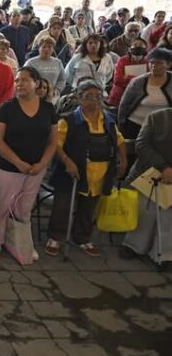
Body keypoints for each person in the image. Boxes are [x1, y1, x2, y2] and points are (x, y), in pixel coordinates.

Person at [45, 79, 127, 258]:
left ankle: (82, 237)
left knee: (88, 209)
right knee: (62, 206)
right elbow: (56, 144)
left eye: (98, 96)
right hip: (71, 173)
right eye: (89, 96)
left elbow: (119, 141)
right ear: (79, 98)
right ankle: (55, 237)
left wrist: (124, 161)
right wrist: (67, 161)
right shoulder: (68, 120)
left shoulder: (108, 120)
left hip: (99, 173)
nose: (94, 101)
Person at [0, 66, 57, 260]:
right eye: (17, 80)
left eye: (25, 80)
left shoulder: (48, 109)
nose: (20, 84)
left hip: (36, 168)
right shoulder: (7, 108)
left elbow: (53, 141)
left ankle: (22, 241)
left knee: (25, 208)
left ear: (36, 83)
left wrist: (42, 163)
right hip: (8, 167)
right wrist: (18, 163)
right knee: (3, 204)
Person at [120, 107, 172, 267]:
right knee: (145, 212)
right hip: (148, 173)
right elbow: (142, 144)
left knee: (168, 218)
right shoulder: (156, 117)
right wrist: (163, 167)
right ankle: (133, 246)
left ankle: (164, 254)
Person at [117, 48, 172, 139]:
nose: (154, 66)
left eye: (159, 63)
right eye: (151, 62)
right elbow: (124, 104)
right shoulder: (137, 82)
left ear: (169, 64)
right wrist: (121, 124)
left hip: (164, 127)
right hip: (135, 124)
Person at [107, 38, 149, 108]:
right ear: (130, 48)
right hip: (119, 97)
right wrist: (139, 79)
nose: (137, 47)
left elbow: (149, 80)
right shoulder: (122, 60)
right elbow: (117, 80)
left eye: (140, 45)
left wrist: (127, 77)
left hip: (140, 98)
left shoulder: (148, 62)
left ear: (145, 49)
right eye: (135, 45)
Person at [24, 36, 66, 101]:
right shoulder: (30, 63)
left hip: (52, 97)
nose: (46, 49)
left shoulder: (58, 62)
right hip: (34, 96)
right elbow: (25, 78)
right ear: (39, 48)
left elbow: (62, 80)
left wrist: (56, 90)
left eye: (49, 47)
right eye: (44, 47)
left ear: (53, 49)